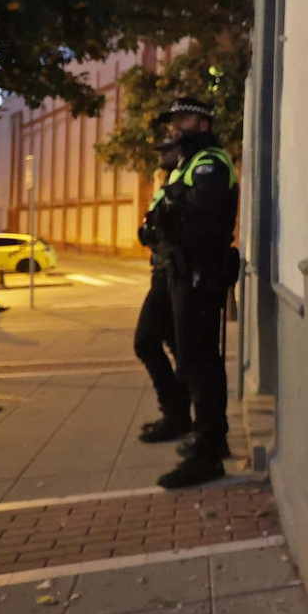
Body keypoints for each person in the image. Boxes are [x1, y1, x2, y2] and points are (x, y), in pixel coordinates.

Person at [149, 97, 238, 489]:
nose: (175, 126)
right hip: (185, 272)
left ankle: (208, 456)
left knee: (200, 363)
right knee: (193, 360)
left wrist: (171, 209)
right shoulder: (187, 165)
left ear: (203, 124)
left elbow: (196, 215)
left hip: (201, 273)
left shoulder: (210, 162)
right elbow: (161, 220)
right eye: (173, 120)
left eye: (183, 118)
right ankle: (209, 441)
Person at [133, 137, 190, 444]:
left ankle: (176, 413)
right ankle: (178, 415)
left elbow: (169, 226)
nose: (161, 156)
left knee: (146, 341)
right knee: (175, 344)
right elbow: (149, 228)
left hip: (172, 273)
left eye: (167, 150)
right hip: (163, 271)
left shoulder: (185, 177)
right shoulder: (169, 181)